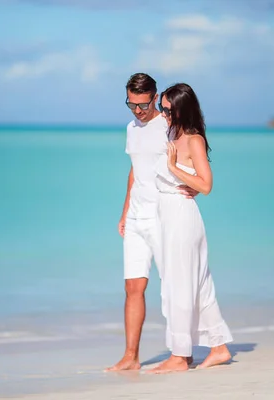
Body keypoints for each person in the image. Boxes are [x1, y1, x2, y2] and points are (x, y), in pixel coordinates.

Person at [107, 73, 198, 372]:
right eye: (131, 105)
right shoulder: (131, 128)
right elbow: (134, 172)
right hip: (136, 216)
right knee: (133, 286)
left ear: (155, 96)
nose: (137, 111)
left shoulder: (169, 127)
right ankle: (131, 356)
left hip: (164, 215)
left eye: (143, 105)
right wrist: (124, 213)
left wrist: (195, 186)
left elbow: (190, 157)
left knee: (172, 286)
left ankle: (182, 353)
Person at [148, 83, 233, 374]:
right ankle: (219, 347)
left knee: (180, 285)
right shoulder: (171, 131)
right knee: (196, 284)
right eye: (161, 107)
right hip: (167, 215)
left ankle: (180, 356)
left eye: (167, 109)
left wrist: (174, 167)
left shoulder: (193, 139)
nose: (163, 113)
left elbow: (206, 185)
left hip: (183, 218)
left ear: (182, 110)